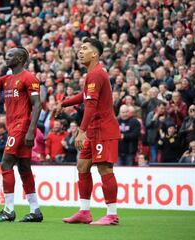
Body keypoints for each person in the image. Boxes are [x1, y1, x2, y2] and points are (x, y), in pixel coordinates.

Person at [55, 38, 121, 225]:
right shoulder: (92, 74)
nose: (80, 51)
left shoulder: (97, 74)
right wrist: (64, 103)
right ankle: (84, 212)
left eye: (84, 48)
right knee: (82, 166)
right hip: (93, 130)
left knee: (105, 168)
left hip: (103, 130)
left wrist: (81, 130)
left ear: (95, 54)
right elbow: (84, 97)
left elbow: (90, 106)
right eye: (80, 48)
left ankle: (112, 214)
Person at [0, 47, 43, 222]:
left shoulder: (29, 78)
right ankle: (35, 211)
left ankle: (8, 210)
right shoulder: (6, 79)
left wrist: (31, 130)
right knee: (24, 168)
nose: (6, 56)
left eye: (10, 55)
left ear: (20, 58)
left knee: (6, 164)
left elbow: (37, 105)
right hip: (13, 127)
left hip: (22, 126)